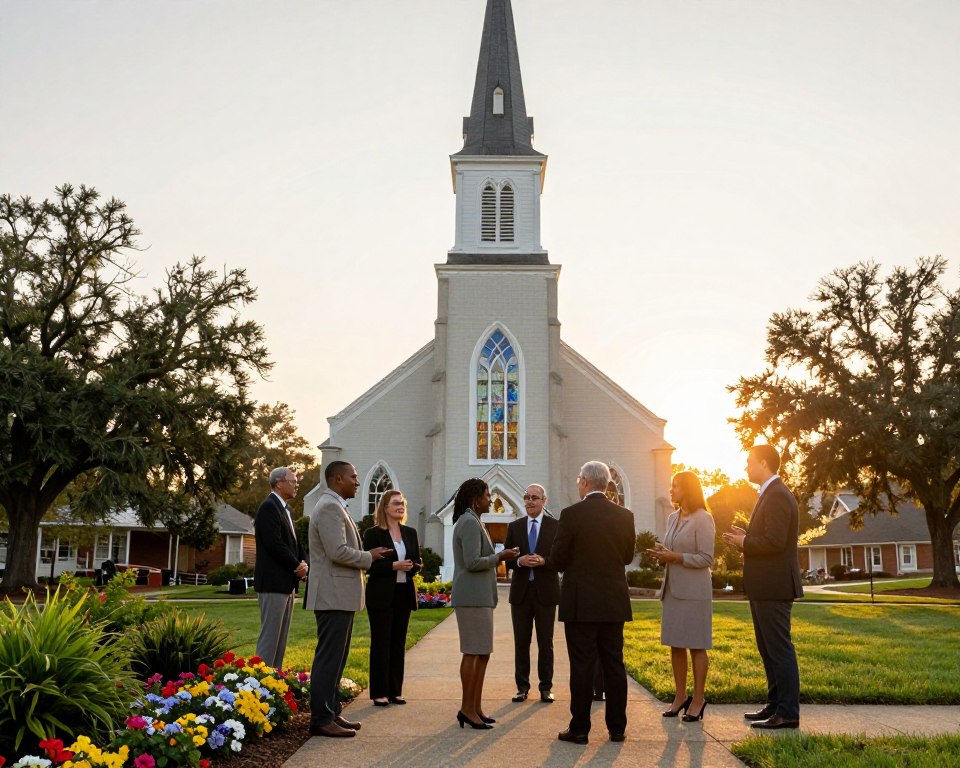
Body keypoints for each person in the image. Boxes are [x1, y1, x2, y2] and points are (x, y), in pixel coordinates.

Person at [550, 461, 635, 745]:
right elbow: (626, 557)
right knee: (614, 664)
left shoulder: (571, 514)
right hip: (613, 600)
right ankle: (617, 728)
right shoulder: (625, 515)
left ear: (585, 482)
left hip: (581, 602)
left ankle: (580, 728)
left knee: (582, 665)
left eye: (578, 480)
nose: (578, 484)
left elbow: (559, 559)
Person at [305, 461, 393, 738]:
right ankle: (320, 719)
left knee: (337, 659)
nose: (357, 482)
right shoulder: (330, 507)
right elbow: (337, 552)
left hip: (339, 596)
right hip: (333, 595)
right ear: (338, 478)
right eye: (354, 477)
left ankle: (331, 712)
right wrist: (369, 557)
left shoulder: (335, 506)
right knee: (329, 659)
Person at [722, 444, 803, 730]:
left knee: (779, 649)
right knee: (767, 649)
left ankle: (788, 712)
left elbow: (775, 542)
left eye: (750, 462)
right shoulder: (769, 494)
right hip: (764, 586)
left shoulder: (778, 495)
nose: (746, 467)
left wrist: (744, 543)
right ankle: (775, 705)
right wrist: (747, 536)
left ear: (764, 463)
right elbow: (769, 537)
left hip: (775, 586)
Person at [646, 470, 715, 722]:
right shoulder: (673, 517)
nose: (671, 490)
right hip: (673, 590)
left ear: (688, 488)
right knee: (676, 645)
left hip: (695, 592)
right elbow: (672, 550)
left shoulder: (703, 518)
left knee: (697, 645)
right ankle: (679, 696)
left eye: (675, 486)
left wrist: (674, 557)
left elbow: (707, 558)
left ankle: (698, 699)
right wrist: (662, 554)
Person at [451, 478, 518, 730]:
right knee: (473, 651)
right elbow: (471, 562)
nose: (490, 500)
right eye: (487, 496)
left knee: (482, 653)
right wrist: (499, 556)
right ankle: (467, 709)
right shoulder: (468, 522)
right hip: (471, 597)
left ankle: (475, 706)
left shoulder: (474, 520)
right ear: (475, 499)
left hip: (479, 597)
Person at [362, 489, 422, 706]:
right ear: (385, 507)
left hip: (403, 593)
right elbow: (369, 564)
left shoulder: (410, 533)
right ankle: (379, 692)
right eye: (396, 503)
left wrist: (413, 566)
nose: (401, 506)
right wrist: (393, 566)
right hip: (381, 594)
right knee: (381, 643)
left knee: (398, 643)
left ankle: (395, 691)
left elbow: (417, 559)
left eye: (403, 503)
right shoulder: (373, 534)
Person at [503, 483, 560, 704]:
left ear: (544, 500)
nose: (530, 501)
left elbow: (562, 559)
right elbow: (506, 559)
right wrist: (519, 561)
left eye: (535, 497)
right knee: (521, 642)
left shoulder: (556, 527)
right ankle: (522, 687)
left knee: (546, 643)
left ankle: (546, 687)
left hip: (546, 593)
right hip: (521, 594)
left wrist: (544, 561)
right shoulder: (515, 527)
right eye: (527, 497)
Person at [253, 466, 308, 669]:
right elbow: (274, 543)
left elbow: (295, 543)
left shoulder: (285, 509)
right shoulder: (269, 507)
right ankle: (260, 684)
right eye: (293, 481)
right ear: (279, 483)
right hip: (273, 583)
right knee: (270, 639)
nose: (296, 485)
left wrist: (304, 563)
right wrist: (296, 566)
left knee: (280, 640)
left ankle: (275, 681)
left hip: (286, 583)